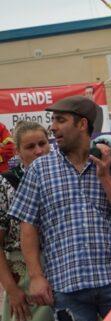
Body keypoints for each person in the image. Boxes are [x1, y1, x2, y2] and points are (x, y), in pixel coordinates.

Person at [8, 96, 111, 321]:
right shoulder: (39, 170)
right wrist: (35, 276)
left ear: (82, 124)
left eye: (60, 120)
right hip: (67, 288)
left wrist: (105, 177)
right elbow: (28, 226)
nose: (53, 127)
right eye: (52, 121)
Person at [0, 122, 53, 321]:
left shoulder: (61, 176)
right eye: (30, 147)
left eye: (42, 143)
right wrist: (12, 290)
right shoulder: (6, 183)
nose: (39, 151)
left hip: (63, 270)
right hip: (24, 276)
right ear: (18, 152)